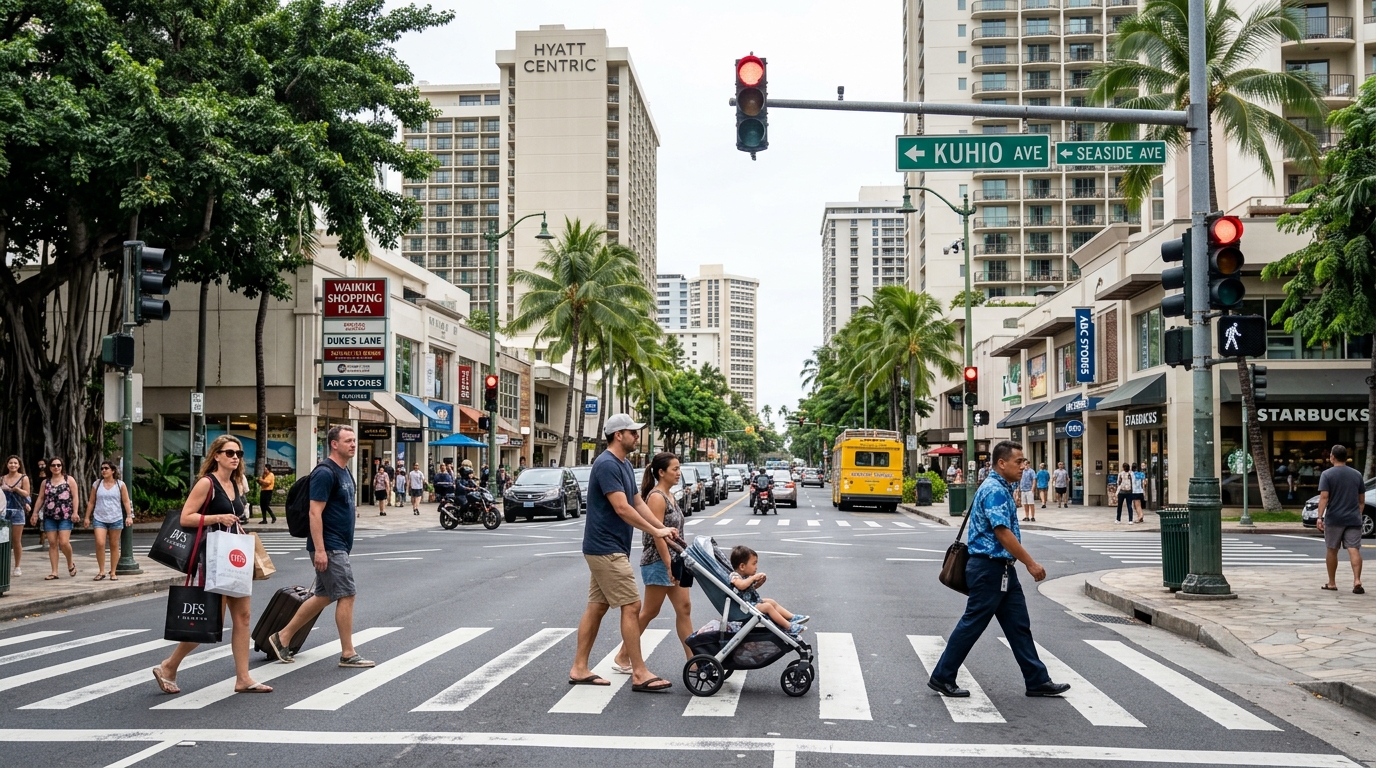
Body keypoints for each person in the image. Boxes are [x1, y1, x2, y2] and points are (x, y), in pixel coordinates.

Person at [927, 440, 1070, 699]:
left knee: (1018, 625)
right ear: (1001, 463)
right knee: (972, 623)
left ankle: (1037, 680)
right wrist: (1030, 562)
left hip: (1002, 570)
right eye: (1019, 462)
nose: (1024, 467)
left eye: (1025, 462)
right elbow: (1002, 532)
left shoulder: (1002, 487)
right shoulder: (994, 489)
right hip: (988, 569)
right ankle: (942, 676)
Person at [152, 435, 272, 695]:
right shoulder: (207, 483)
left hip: (234, 556)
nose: (235, 457)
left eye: (238, 453)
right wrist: (217, 517)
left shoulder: (236, 483)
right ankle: (169, 665)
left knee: (243, 617)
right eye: (229, 452)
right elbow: (186, 517)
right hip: (214, 557)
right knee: (209, 620)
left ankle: (243, 678)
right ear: (216, 455)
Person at [567, 414, 677, 692]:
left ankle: (579, 668)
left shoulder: (624, 464)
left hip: (610, 547)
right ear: (618, 435)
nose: (637, 436)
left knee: (598, 606)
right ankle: (639, 672)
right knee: (632, 606)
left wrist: (661, 528)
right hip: (606, 548)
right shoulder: (606, 464)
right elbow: (621, 508)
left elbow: (637, 502)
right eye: (633, 432)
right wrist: (656, 532)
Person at [268, 425, 374, 668]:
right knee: (347, 594)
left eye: (354, 440)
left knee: (323, 596)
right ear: (334, 444)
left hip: (339, 545)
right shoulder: (325, 473)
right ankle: (348, 653)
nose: (353, 444)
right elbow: (314, 513)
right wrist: (320, 550)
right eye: (348, 441)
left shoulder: (345, 472)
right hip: (330, 545)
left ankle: (281, 637)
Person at [612, 452, 693, 673]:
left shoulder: (669, 495)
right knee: (649, 611)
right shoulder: (657, 497)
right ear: (661, 472)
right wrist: (668, 564)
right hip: (659, 561)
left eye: (679, 468)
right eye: (674, 469)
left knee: (684, 608)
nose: (679, 473)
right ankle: (622, 655)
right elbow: (658, 534)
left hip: (675, 560)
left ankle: (694, 661)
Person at [1317, 444, 1365, 595]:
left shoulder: (1327, 474)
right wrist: (1357, 513)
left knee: (1332, 550)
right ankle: (1357, 580)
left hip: (1334, 518)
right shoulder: (1357, 474)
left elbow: (1324, 497)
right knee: (1354, 549)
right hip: (1353, 519)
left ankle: (1332, 582)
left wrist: (1319, 517)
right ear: (1346, 457)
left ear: (1332, 456)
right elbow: (1361, 500)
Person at [729, 545, 808, 633]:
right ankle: (788, 627)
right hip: (744, 608)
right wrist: (753, 578)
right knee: (767, 607)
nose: (756, 567)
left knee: (770, 601)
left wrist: (759, 583)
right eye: (754, 563)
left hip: (751, 604)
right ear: (742, 566)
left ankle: (791, 617)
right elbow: (741, 585)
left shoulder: (746, 577)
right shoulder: (735, 576)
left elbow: (749, 589)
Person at [83, 461, 133, 581]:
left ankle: (113, 571)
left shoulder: (120, 485)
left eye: (106, 468)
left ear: (113, 471)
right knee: (100, 543)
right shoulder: (97, 484)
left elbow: (126, 501)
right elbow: (91, 502)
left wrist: (129, 515)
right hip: (99, 517)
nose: (103, 471)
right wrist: (86, 517)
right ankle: (101, 571)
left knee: (114, 545)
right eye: (102, 469)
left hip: (116, 518)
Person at [31, 457, 80, 580]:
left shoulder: (69, 480)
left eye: (58, 465)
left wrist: (75, 512)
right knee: (52, 543)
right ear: (50, 467)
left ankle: (70, 563)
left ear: (62, 466)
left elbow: (75, 497)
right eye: (53, 465)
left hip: (65, 515)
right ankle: (54, 571)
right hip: (49, 516)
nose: (56, 467)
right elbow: (41, 498)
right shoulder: (46, 482)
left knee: (63, 542)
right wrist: (35, 513)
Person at [2, 456, 30, 576]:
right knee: (3, 539)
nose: (13, 465)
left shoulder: (23, 477)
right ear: (7, 465)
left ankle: (17, 566)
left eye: (15, 463)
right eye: (10, 463)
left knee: (16, 540)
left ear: (19, 465)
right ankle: (3, 565)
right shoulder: (2, 478)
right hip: (3, 511)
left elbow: (27, 493)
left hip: (18, 510)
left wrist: (16, 489)